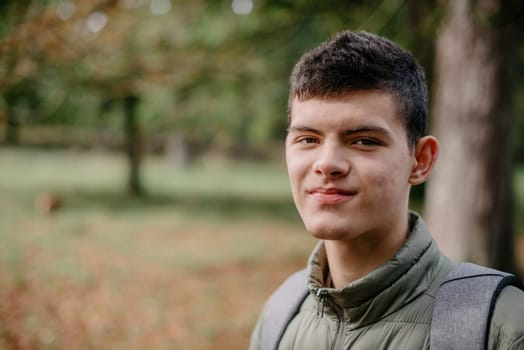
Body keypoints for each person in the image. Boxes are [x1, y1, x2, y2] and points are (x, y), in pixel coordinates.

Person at [249, 31, 524, 350]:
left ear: (420, 160)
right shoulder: (281, 317)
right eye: (308, 139)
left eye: (364, 141)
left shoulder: (502, 328)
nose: (327, 164)